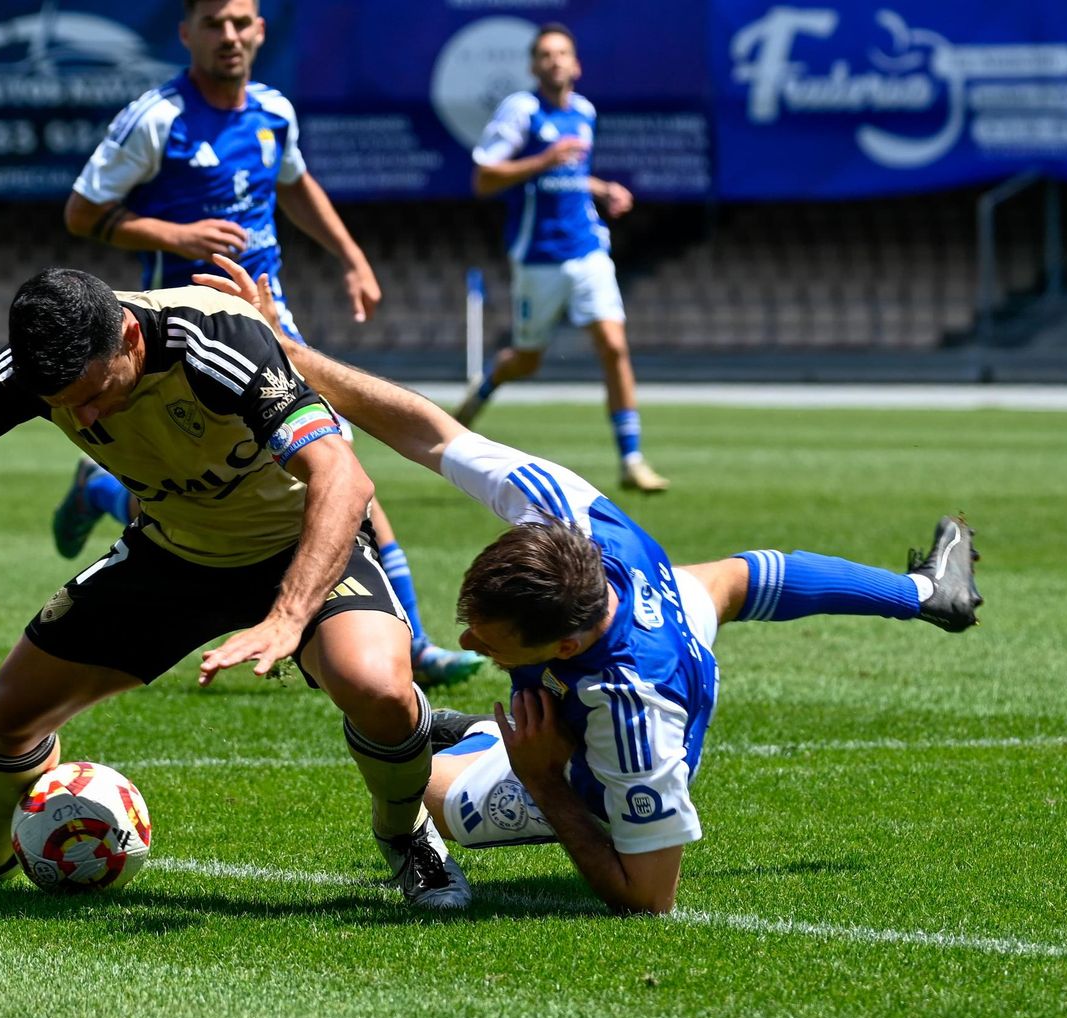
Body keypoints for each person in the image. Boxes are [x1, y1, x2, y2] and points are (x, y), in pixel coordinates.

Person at [195, 256, 983, 914]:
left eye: (488, 639)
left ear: (564, 645)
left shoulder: (632, 718)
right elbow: (431, 433)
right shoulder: (570, 515)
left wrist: (545, 778)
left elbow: (649, 898)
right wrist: (292, 354)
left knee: (428, 789)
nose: (465, 640)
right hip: (651, 605)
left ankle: (485, 748)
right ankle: (924, 592)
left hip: (613, 738)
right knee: (728, 579)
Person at [0, 270, 471, 910]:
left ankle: (405, 831)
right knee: (2, 718)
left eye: (94, 394)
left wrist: (290, 614)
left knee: (377, 687)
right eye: (67, 408)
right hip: (173, 554)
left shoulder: (217, 339)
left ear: (129, 336)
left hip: (301, 545)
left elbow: (343, 478)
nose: (85, 420)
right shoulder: (37, 367)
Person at [53, 0, 483, 687]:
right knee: (187, 497)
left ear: (259, 31)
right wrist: (176, 236)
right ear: (187, 32)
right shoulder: (154, 117)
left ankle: (415, 641)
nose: (230, 35)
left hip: (267, 329)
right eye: (215, 23)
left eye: (243, 22)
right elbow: (82, 211)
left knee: (337, 464)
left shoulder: (274, 111)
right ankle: (102, 491)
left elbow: (295, 180)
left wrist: (350, 256)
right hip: (178, 345)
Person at [455, 22, 669, 494]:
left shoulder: (584, 112)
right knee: (528, 361)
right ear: (534, 66)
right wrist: (541, 161)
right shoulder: (522, 111)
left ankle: (631, 459)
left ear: (576, 64)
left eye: (562, 53)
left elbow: (572, 176)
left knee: (614, 345)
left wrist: (603, 188)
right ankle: (489, 383)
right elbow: (484, 178)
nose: (555, 61)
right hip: (538, 256)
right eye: (546, 55)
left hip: (587, 247)